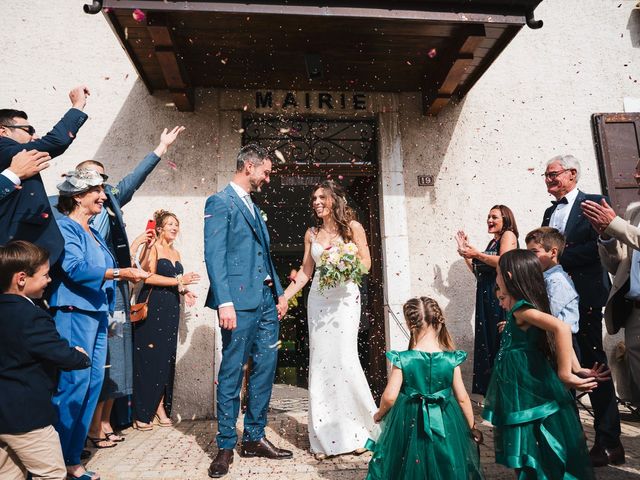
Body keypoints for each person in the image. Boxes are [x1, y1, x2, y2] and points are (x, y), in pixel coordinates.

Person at [64, 126, 184, 447]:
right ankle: (89, 427)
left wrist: (160, 148)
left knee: (114, 357)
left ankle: (104, 421)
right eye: (96, 182)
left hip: (115, 293)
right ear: (81, 187)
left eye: (105, 182)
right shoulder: (71, 219)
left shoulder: (110, 203)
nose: (105, 188)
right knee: (90, 361)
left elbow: (134, 178)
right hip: (92, 289)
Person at [49, 169, 148, 480]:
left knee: (92, 386)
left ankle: (72, 457)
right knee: (73, 386)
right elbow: (74, 269)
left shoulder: (91, 229)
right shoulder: (66, 227)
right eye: (97, 191)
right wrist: (121, 274)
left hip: (95, 313)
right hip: (73, 312)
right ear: (78, 196)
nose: (104, 197)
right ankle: (59, 461)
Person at [204, 143, 291, 479]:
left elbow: (265, 257)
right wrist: (224, 301)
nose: (267, 178)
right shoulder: (220, 201)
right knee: (232, 372)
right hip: (238, 303)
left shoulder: (253, 206)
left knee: (265, 369)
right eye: (265, 172)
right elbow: (214, 255)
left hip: (267, 301)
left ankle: (254, 438)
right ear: (249, 166)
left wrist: (280, 293)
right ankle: (226, 443)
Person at [483, 249, 603, 479]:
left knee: (529, 443)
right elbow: (552, 337)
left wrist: (567, 373)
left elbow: (562, 328)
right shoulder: (520, 309)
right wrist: (577, 366)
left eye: (497, 273)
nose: (495, 278)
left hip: (527, 388)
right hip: (520, 388)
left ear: (507, 275)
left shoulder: (522, 309)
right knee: (530, 443)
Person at [283, 180, 378, 459]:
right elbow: (305, 271)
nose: (316, 201)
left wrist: (344, 264)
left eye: (322, 197)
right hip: (319, 302)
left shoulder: (353, 228)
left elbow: (367, 264)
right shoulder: (311, 233)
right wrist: (285, 297)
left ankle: (362, 431)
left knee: (346, 360)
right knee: (322, 365)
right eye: (314, 198)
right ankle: (326, 439)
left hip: (346, 300)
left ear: (334, 200)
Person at [541, 154, 624, 466]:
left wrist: (559, 258)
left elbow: (599, 247)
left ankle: (609, 443)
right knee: (567, 368)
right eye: (546, 177)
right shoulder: (550, 211)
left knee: (593, 368)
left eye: (553, 175)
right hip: (558, 304)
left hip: (586, 300)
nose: (548, 181)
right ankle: (572, 441)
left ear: (572, 173)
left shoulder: (594, 202)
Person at [0, 241, 91, 480]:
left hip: (4, 417)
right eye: (45, 275)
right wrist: (80, 357)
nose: (49, 280)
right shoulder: (31, 316)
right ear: (21, 278)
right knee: (51, 473)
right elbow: (57, 352)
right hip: (27, 417)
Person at [366, 296, 483, 480]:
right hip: (445, 418)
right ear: (437, 320)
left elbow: (389, 397)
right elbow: (462, 398)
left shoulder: (403, 359)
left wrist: (380, 414)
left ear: (409, 323)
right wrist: (472, 427)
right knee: (446, 458)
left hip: (409, 418)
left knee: (406, 459)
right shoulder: (451, 360)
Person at [0, 86, 90, 265]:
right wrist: (78, 105)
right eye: (29, 130)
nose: (35, 136)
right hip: (21, 258)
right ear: (3, 132)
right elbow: (57, 141)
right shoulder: (4, 149)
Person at [131, 209, 199, 430]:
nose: (174, 227)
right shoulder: (153, 248)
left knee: (165, 360)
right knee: (150, 360)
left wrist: (184, 290)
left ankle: (160, 408)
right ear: (159, 227)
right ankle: (142, 412)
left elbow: (174, 280)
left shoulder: (176, 253)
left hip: (171, 307)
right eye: (169, 223)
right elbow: (146, 275)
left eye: (176, 224)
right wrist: (179, 279)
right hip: (154, 307)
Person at [581, 157, 640, 409]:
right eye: (637, 169)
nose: (636, 176)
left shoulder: (623, 220)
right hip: (634, 314)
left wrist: (615, 225)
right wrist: (607, 237)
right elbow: (620, 266)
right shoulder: (634, 211)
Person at [456, 205, 518, 395]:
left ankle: (507, 396)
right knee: (489, 344)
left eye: (494, 217)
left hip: (500, 296)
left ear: (505, 219)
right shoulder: (492, 243)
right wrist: (466, 253)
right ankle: (494, 397)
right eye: (488, 217)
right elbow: (478, 272)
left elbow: (504, 261)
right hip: (485, 296)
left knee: (500, 344)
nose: (489, 221)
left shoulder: (509, 235)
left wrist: (477, 254)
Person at [525, 227, 580, 355]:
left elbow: (547, 312)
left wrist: (521, 322)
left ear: (553, 252)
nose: (530, 258)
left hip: (563, 344)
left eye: (534, 252)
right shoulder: (545, 278)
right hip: (549, 338)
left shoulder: (558, 280)